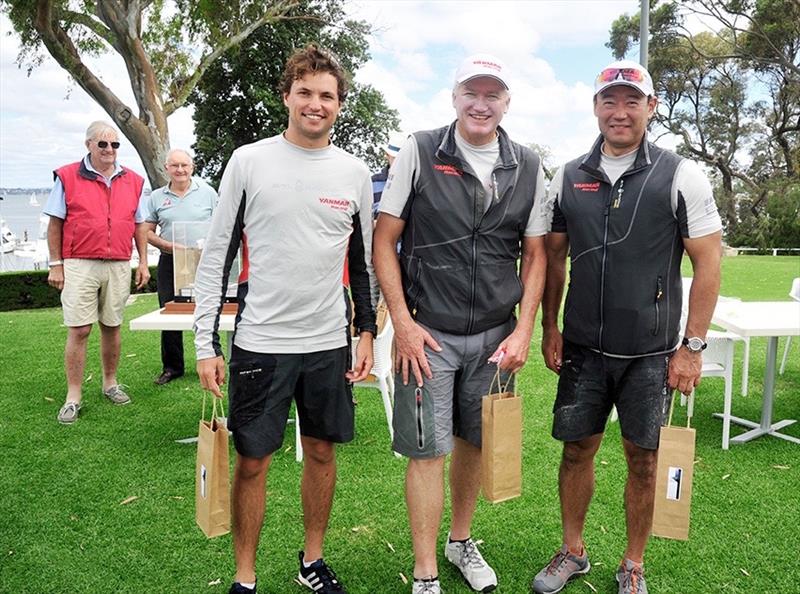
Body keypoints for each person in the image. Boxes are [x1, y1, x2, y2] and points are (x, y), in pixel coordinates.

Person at [532, 60, 722, 594]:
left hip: (652, 353)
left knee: (644, 460)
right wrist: (551, 328)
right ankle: (573, 550)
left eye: (631, 101)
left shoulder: (680, 174)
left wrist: (692, 347)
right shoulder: (568, 176)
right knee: (576, 450)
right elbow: (553, 258)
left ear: (651, 108)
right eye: (609, 101)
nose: (620, 112)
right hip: (584, 349)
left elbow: (709, 263)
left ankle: (633, 562)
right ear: (595, 107)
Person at [193, 44, 377, 594]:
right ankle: (245, 578)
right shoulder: (249, 161)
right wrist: (206, 343)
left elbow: (361, 263)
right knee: (253, 461)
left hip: (327, 344)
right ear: (287, 96)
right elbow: (217, 256)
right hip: (261, 341)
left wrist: (365, 332)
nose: (315, 104)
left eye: (326, 95)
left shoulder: (354, 172)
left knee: (321, 452)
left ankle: (311, 561)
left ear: (340, 104)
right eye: (305, 92)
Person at [373, 53, 547, 594]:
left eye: (493, 94)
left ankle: (460, 540)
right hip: (427, 334)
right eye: (472, 92)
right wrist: (401, 322)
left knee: (474, 441)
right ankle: (425, 572)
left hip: (497, 336)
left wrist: (523, 331)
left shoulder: (528, 164)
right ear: (454, 97)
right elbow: (384, 241)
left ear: (506, 103)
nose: (481, 103)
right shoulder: (421, 150)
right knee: (427, 450)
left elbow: (536, 255)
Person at [47, 120, 151, 424]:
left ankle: (110, 383)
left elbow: (139, 224)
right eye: (102, 144)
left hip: (119, 262)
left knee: (112, 325)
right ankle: (73, 396)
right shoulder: (67, 176)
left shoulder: (133, 180)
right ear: (89, 145)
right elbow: (56, 223)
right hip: (79, 261)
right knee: (79, 329)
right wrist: (56, 264)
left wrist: (142, 261)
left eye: (114, 144)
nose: (109, 149)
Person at [144, 149, 218, 385]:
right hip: (170, 260)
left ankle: (212, 358)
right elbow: (147, 232)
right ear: (167, 168)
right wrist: (170, 246)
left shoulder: (207, 193)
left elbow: (221, 226)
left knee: (209, 308)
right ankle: (172, 367)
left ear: (192, 167)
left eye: (184, 165)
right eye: (175, 166)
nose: (180, 170)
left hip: (202, 260)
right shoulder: (156, 197)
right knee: (169, 312)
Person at [371, 130, 406, 219]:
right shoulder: (372, 181)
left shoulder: (412, 185)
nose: (399, 163)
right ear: (387, 155)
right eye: (395, 158)